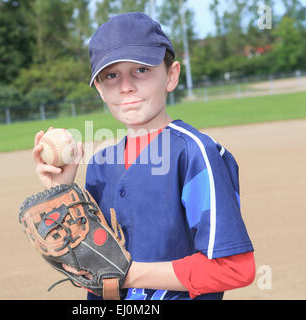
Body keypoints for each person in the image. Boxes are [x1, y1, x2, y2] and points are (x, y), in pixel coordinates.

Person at [32, 12, 255, 300]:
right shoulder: (101, 165)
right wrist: (60, 191)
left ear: (171, 75)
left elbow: (234, 268)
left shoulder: (194, 154)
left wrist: (128, 272)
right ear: (99, 89)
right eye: (111, 75)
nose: (126, 86)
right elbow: (95, 278)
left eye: (141, 70)